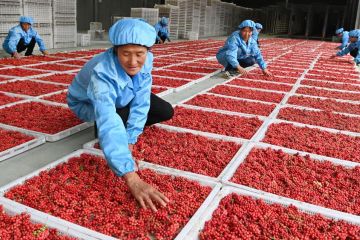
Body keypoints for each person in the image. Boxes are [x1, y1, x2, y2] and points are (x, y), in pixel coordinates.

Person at [67, 19, 174, 212]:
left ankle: (120, 133)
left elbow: (142, 99)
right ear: (116, 50)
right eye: (125, 54)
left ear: (148, 51)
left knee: (166, 111)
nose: (133, 62)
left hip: (124, 93)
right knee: (112, 123)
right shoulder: (102, 75)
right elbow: (108, 118)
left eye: (139, 54)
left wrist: (131, 137)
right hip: (88, 103)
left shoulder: (146, 60)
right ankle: (107, 134)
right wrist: (131, 177)